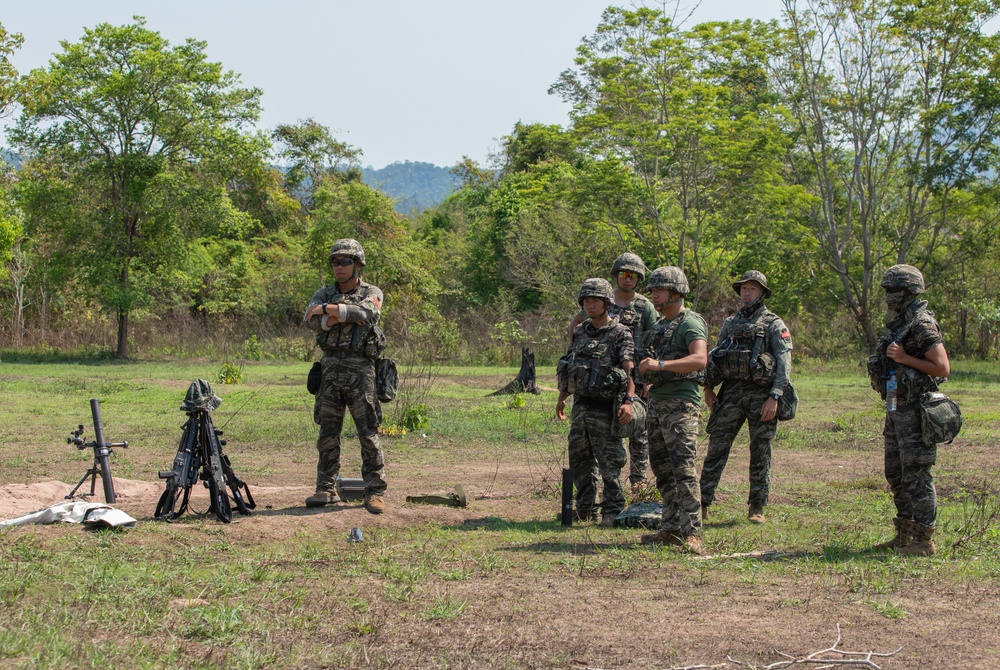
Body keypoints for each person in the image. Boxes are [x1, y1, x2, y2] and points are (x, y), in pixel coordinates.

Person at [867, 264, 950, 556]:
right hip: (895, 407)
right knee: (896, 472)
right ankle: (903, 533)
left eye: (895, 290)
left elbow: (942, 367)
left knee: (916, 472)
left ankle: (924, 540)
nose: (890, 296)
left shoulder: (921, 323)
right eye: (887, 290)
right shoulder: (899, 322)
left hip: (916, 410)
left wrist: (903, 357)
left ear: (911, 291)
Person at [699, 270, 792, 525]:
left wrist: (774, 396)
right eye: (744, 288)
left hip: (761, 395)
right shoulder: (730, 323)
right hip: (730, 393)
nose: (747, 293)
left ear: (762, 292)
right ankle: (703, 503)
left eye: (752, 288)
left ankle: (757, 506)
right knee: (717, 447)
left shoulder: (774, 324)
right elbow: (717, 358)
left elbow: (784, 363)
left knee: (760, 449)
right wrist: (708, 389)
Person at [303, 238, 388, 514]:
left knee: (368, 433)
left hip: (360, 370)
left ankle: (374, 491)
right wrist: (342, 315)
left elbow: (368, 311)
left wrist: (328, 311)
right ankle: (325, 488)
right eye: (335, 262)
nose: (339, 267)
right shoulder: (323, 291)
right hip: (329, 369)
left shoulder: (371, 291)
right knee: (328, 433)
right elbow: (310, 321)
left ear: (358, 264)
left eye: (345, 262)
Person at [635, 267, 708, 554]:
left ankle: (693, 533)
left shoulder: (689, 323)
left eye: (658, 289)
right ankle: (671, 528)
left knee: (683, 470)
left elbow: (699, 359)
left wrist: (661, 366)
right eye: (652, 289)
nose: (653, 294)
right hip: (658, 405)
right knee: (663, 470)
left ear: (675, 292)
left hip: (681, 406)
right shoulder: (660, 326)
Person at [569, 253, 658, 487]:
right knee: (601, 433)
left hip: (635, 375)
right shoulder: (600, 300)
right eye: (622, 275)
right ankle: (598, 486)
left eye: (632, 275)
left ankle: (638, 483)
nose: (627, 279)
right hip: (603, 378)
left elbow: (655, 339)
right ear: (616, 276)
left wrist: (648, 380)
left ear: (638, 278)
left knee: (638, 431)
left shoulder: (644, 306)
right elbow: (576, 325)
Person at [556, 278, 636, 527]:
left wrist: (629, 401)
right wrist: (561, 397)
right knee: (580, 459)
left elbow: (630, 369)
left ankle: (612, 509)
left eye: (595, 300)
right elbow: (571, 366)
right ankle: (585, 507)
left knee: (609, 461)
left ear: (606, 303)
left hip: (606, 407)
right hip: (581, 405)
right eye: (586, 301)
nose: (590, 305)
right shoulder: (581, 331)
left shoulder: (620, 333)